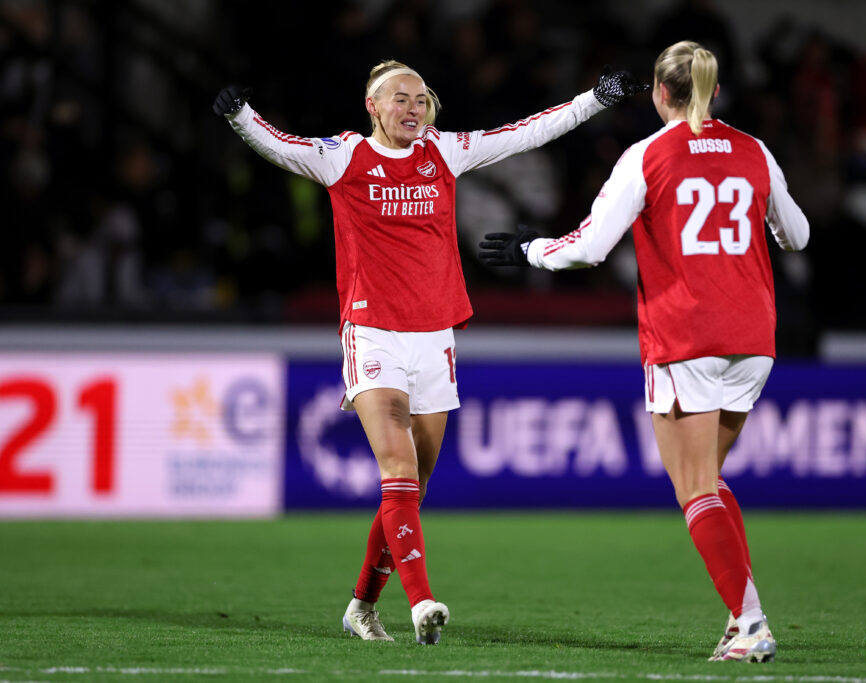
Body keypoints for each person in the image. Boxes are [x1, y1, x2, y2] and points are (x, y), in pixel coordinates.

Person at [213, 60, 648, 645]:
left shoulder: (444, 151)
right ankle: (421, 604)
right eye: (400, 98)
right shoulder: (343, 157)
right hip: (372, 334)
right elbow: (280, 146)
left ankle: (361, 607)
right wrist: (241, 116)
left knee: (412, 486)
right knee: (397, 468)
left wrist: (597, 99)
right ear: (372, 106)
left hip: (435, 336)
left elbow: (525, 132)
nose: (413, 108)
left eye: (421, 99)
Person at [479, 41, 809, 663]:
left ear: (661, 93)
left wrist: (530, 250)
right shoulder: (753, 150)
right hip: (754, 339)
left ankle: (749, 622)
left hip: (686, 335)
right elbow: (798, 235)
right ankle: (745, 617)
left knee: (693, 488)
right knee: (708, 480)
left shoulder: (647, 156)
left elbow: (589, 248)